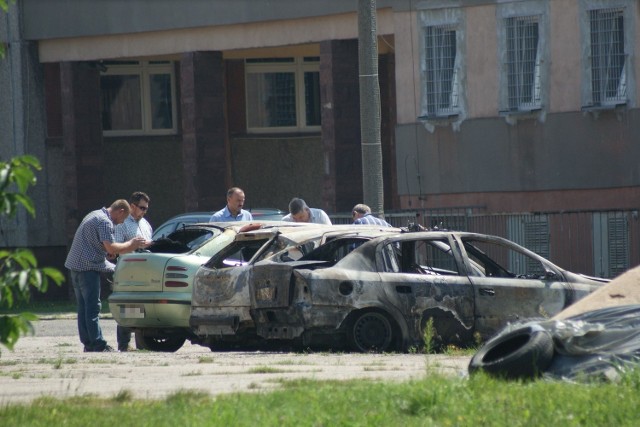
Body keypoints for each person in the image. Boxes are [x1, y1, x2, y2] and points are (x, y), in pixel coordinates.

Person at [65, 200, 149, 352]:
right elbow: (111, 247)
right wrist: (132, 245)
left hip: (75, 267)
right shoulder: (105, 222)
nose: (120, 223)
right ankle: (98, 344)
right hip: (87, 269)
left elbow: (100, 248)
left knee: (83, 309)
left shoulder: (94, 214)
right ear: (120, 211)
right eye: (122, 219)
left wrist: (113, 265)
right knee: (92, 309)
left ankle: (88, 344)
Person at [113, 191, 153, 352]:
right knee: (128, 307)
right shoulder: (122, 223)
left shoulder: (145, 224)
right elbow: (115, 248)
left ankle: (142, 343)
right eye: (142, 208)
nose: (144, 212)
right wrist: (134, 245)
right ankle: (124, 344)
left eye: (146, 209)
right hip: (128, 270)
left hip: (146, 270)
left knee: (143, 307)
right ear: (132, 206)